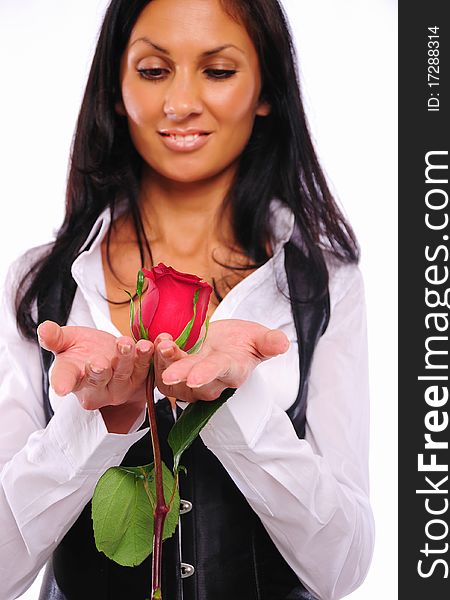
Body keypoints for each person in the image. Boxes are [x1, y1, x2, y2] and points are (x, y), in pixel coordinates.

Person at [0, 0, 374, 599]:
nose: (180, 103)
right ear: (116, 88)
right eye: (153, 71)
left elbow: (343, 566)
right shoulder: (40, 285)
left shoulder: (320, 282)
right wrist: (93, 422)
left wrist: (236, 403)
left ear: (265, 89)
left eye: (218, 71)